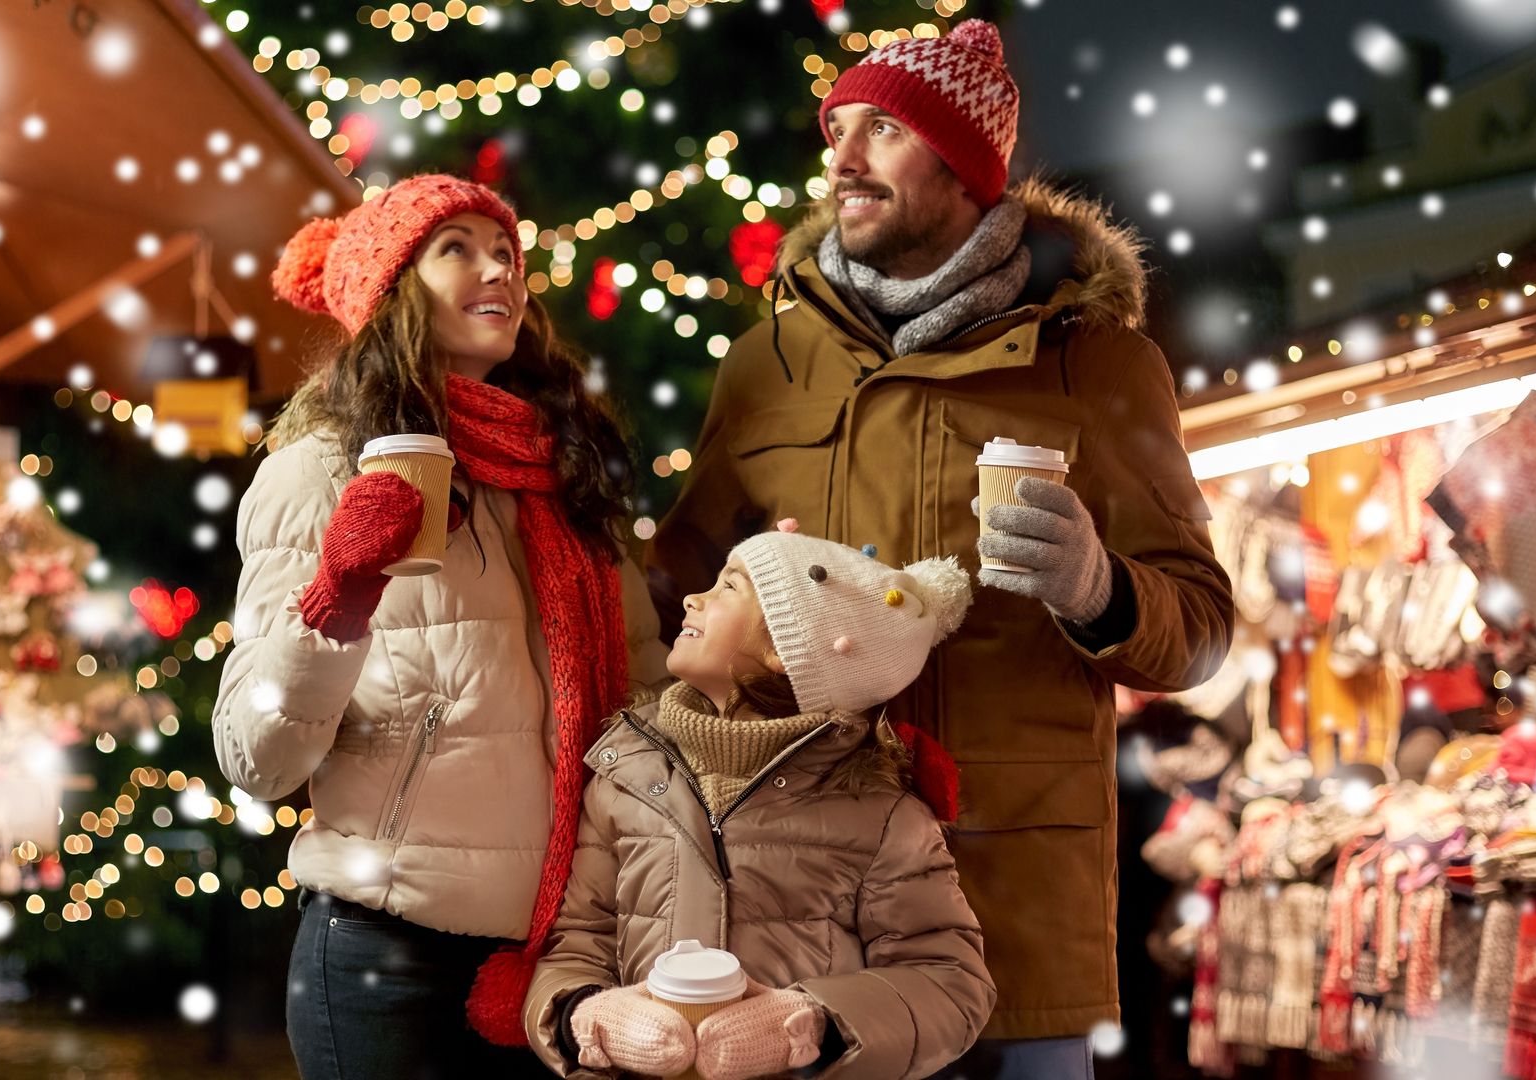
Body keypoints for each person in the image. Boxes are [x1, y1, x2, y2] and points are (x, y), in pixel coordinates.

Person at [648, 21, 1234, 1079]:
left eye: (884, 130)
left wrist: (1095, 588)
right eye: (838, 129)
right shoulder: (764, 365)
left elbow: (1199, 633)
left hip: (1012, 915)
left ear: (964, 167)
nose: (844, 156)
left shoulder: (1095, 365)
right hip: (806, 924)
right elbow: (673, 599)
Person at [214, 174, 668, 1078]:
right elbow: (254, 759)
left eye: (504, 251)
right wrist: (338, 597)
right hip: (390, 959)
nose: (494, 267)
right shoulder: (316, 473)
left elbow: (646, 703)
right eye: (453, 248)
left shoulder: (564, 471)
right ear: (390, 294)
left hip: (565, 960)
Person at [526, 523, 993, 1079]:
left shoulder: (880, 813)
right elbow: (578, 942)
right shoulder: (624, 775)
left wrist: (813, 1023)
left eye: (728, 587)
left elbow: (948, 979)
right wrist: (586, 1015)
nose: (691, 597)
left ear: (783, 648)